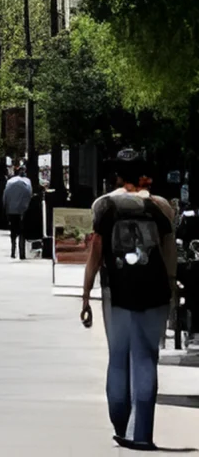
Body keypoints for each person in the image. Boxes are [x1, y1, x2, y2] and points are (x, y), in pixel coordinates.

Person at [82, 150, 176, 451]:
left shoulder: (103, 205)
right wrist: (171, 291)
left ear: (117, 175)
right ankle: (141, 433)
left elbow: (96, 254)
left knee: (118, 358)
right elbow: (169, 255)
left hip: (117, 292)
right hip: (154, 292)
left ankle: (121, 424)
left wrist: (86, 295)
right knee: (146, 357)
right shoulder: (161, 207)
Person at [3, 167, 32, 260]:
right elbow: (29, 195)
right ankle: (22, 252)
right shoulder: (27, 182)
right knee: (22, 231)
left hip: (11, 210)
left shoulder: (10, 182)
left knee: (13, 231)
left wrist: (6, 208)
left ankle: (13, 250)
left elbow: (5, 196)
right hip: (23, 210)